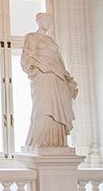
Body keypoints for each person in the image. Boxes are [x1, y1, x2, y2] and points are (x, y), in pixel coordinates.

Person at [21, 12, 78, 148]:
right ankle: (40, 140)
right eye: (45, 20)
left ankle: (57, 142)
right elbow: (25, 59)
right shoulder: (31, 37)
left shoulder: (51, 40)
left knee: (59, 104)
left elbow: (58, 59)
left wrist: (65, 75)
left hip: (57, 74)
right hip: (43, 74)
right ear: (38, 21)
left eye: (49, 21)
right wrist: (39, 65)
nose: (47, 23)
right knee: (44, 105)